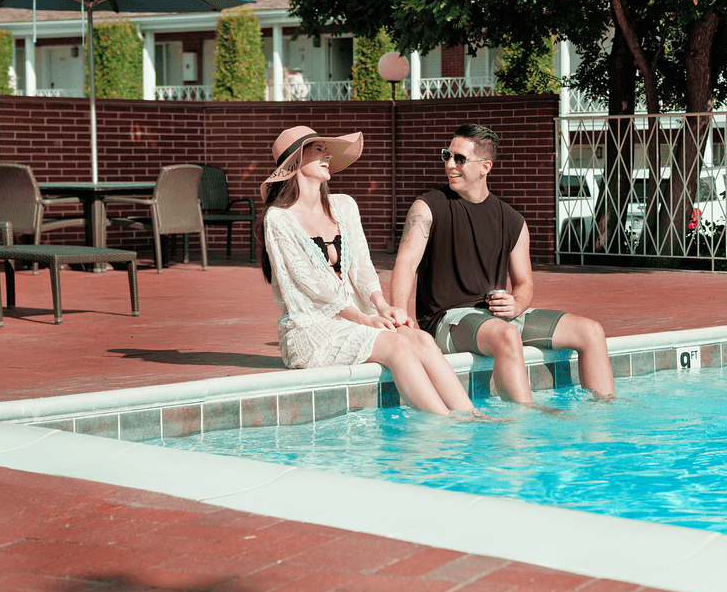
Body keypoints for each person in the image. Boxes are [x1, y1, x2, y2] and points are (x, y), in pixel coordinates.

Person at [257, 125, 483, 418]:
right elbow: (310, 286)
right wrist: (364, 319)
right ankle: (444, 421)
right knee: (397, 346)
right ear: (296, 161)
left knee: (420, 339)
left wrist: (382, 306)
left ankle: (472, 415)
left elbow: (362, 267)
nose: (327, 155)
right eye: (319, 149)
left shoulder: (344, 206)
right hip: (311, 329)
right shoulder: (279, 219)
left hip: (356, 317)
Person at [388, 123, 616, 405]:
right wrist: (400, 319)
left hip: (495, 318)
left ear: (485, 166)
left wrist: (517, 304)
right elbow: (406, 263)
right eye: (447, 155)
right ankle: (523, 420)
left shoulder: (513, 221)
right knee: (507, 336)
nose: (450, 164)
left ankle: (603, 416)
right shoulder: (428, 207)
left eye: (459, 158)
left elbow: (524, 284)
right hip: (447, 320)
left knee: (591, 332)